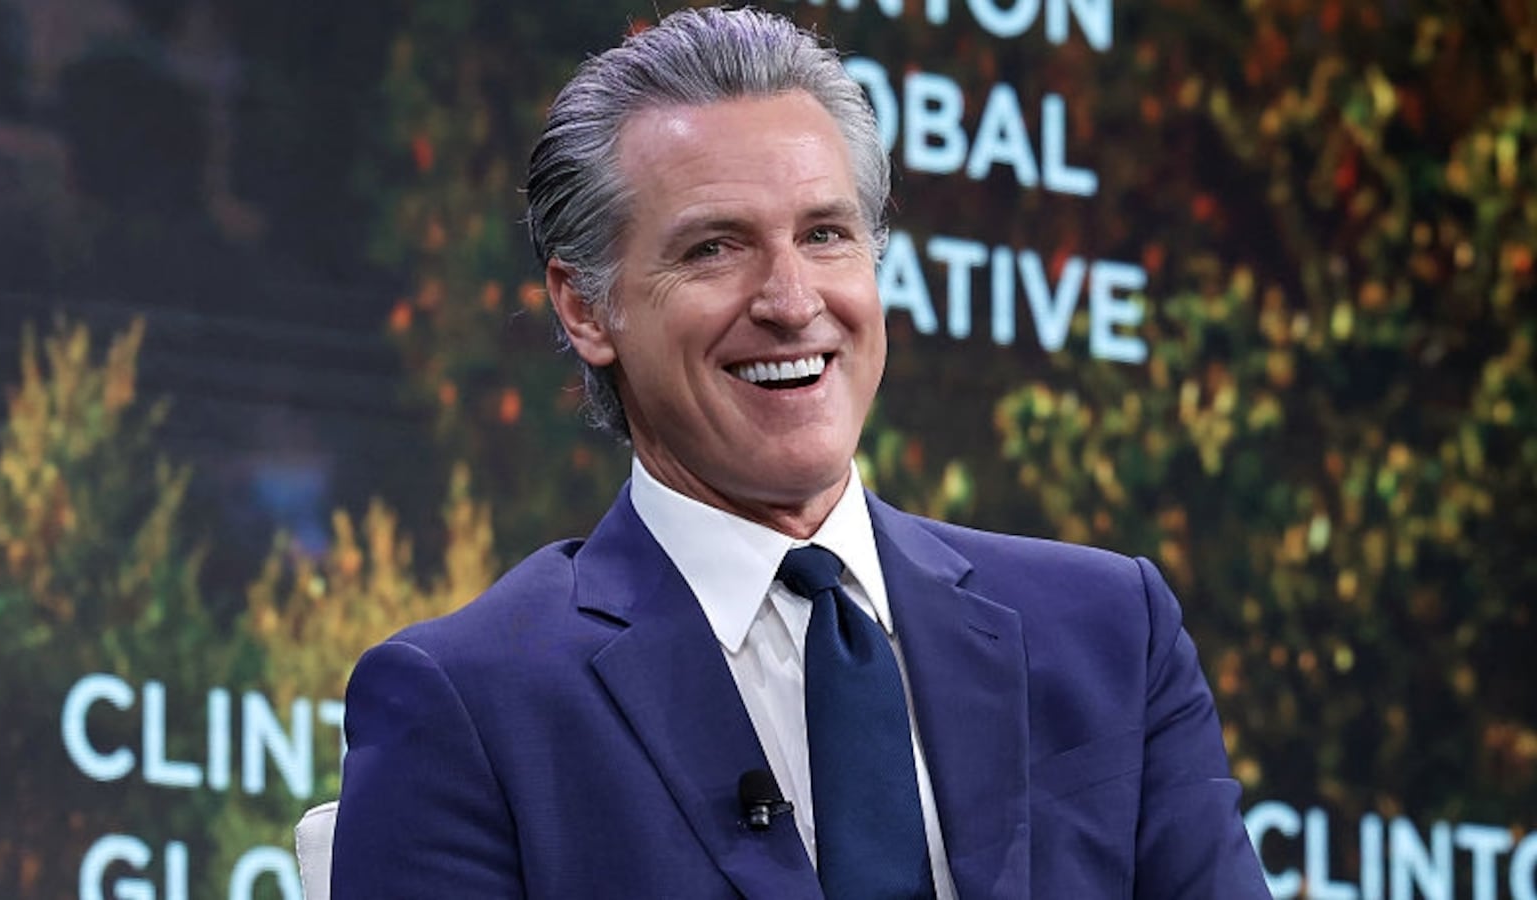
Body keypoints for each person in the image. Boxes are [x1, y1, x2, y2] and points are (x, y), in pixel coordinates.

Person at [332, 7, 1271, 898]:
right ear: (585, 308)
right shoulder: (469, 705)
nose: (790, 299)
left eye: (825, 235)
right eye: (713, 248)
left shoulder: (1112, 633)